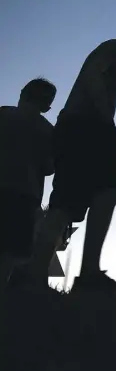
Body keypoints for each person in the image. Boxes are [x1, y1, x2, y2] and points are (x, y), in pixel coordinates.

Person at [9, 26, 116, 294]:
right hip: (88, 127)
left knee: (66, 202)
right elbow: (93, 72)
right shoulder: (113, 49)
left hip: (74, 128)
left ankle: (31, 275)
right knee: (108, 191)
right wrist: (105, 120)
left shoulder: (115, 60)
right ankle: (89, 276)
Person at [0, 79, 57, 289]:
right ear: (47, 107)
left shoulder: (3, 114)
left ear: (22, 93)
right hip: (25, 196)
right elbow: (50, 167)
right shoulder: (48, 131)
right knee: (10, 253)